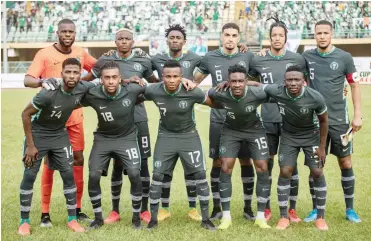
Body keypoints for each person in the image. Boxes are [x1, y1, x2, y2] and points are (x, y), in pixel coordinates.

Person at [24, 18, 96, 227]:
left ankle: (77, 209)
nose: (67, 35)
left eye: (70, 31)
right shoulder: (44, 54)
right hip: (49, 122)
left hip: (74, 118)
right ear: (57, 33)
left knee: (78, 160)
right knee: (49, 163)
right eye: (63, 31)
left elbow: (98, 67)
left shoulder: (81, 52)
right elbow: (27, 79)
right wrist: (42, 81)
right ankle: (45, 213)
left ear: (75, 33)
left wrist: (85, 82)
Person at [83, 28, 156, 225]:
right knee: (116, 162)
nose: (124, 42)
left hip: (139, 118)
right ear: (115, 41)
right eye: (120, 39)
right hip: (114, 123)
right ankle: (115, 210)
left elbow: (155, 83)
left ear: (133, 41)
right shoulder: (104, 62)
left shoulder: (144, 61)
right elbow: (88, 82)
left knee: (142, 164)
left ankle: (144, 209)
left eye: (127, 39)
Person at [18, 58, 92, 236]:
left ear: (80, 74)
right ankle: (24, 222)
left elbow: (101, 81)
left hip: (59, 134)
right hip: (38, 135)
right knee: (29, 175)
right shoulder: (48, 93)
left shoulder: (82, 87)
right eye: (68, 72)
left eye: (76, 72)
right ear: (61, 74)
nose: (72, 76)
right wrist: (30, 144)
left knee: (68, 174)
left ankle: (72, 219)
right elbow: (25, 114)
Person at [250, 65, 329, 230]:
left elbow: (324, 121)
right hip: (289, 137)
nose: (293, 83)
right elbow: (258, 85)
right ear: (284, 82)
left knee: (317, 172)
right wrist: (237, 83)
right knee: (285, 171)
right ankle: (284, 216)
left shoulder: (315, 97)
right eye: (289, 80)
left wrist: (322, 147)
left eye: (297, 80)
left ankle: (321, 217)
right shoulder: (277, 91)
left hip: (311, 136)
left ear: (303, 81)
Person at [193, 23, 256, 222]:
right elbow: (194, 81)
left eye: (234, 35)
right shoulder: (210, 57)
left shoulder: (248, 56)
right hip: (219, 119)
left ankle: (247, 207)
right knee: (218, 162)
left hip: (245, 120)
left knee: (246, 160)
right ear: (221, 36)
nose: (230, 38)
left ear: (239, 38)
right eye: (227, 35)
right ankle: (217, 206)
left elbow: (261, 79)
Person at [302, 20, 362, 223]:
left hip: (339, 121)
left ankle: (350, 209)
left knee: (345, 162)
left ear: (332, 34)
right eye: (318, 32)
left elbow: (354, 86)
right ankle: (314, 209)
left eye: (325, 32)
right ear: (314, 35)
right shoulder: (306, 57)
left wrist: (357, 114)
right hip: (314, 122)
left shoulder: (344, 57)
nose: (322, 36)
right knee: (316, 166)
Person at [247, 17, 306, 222]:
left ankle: (291, 209)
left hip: (292, 120)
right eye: (274, 36)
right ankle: (267, 207)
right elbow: (250, 82)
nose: (277, 38)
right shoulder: (259, 59)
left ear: (286, 38)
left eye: (281, 35)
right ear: (269, 38)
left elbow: (307, 85)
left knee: (291, 165)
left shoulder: (297, 59)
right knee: (267, 163)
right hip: (268, 119)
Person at [144, 60, 215, 231]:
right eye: (168, 76)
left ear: (181, 77)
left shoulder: (192, 91)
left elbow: (213, 102)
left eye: (175, 76)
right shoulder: (153, 90)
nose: (171, 80)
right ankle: (153, 219)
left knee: (199, 174)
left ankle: (205, 219)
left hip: (189, 137)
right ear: (162, 77)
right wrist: (133, 80)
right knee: (158, 176)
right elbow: (135, 94)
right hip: (165, 137)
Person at [80, 61, 147, 230]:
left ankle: (136, 218)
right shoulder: (93, 94)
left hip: (127, 138)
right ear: (101, 79)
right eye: (107, 78)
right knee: (94, 176)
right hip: (103, 139)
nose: (111, 81)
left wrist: (184, 81)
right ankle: (98, 218)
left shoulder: (132, 90)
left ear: (120, 78)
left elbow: (160, 88)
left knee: (133, 173)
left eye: (114, 77)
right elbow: (70, 93)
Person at [205, 64, 271, 229]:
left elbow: (276, 91)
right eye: (233, 81)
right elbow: (208, 95)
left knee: (263, 167)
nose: (237, 84)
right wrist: (218, 98)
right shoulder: (220, 92)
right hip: (231, 131)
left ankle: (261, 217)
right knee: (225, 167)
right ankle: (226, 217)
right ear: (228, 81)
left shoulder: (257, 93)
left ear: (246, 81)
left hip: (255, 131)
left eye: (241, 81)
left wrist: (256, 84)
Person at [151, 24, 203, 222]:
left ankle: (192, 208)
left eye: (178, 38)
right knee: (165, 169)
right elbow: (149, 74)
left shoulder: (194, 58)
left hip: (187, 121)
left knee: (191, 169)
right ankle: (164, 208)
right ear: (167, 40)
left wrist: (194, 83)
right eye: (171, 37)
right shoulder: (157, 59)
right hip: (166, 123)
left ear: (184, 41)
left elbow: (209, 66)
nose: (174, 40)